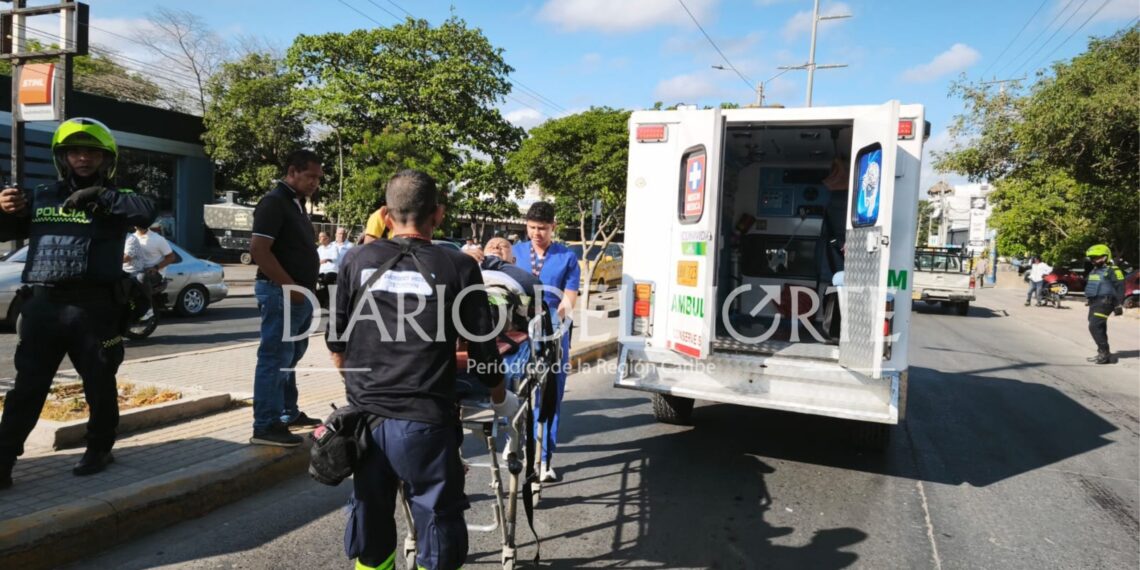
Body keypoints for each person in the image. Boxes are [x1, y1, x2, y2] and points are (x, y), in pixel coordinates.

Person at [327, 169, 518, 570]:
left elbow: (337, 345)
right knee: (437, 530)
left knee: (371, 529)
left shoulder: (356, 259)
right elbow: (483, 352)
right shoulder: (460, 268)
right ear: (439, 214)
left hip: (365, 425)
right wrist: (501, 399)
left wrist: (362, 391)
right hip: (426, 426)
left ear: (385, 213)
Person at [0, 118, 156, 489]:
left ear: (106, 158)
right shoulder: (41, 194)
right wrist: (5, 209)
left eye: (91, 152)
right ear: (63, 156)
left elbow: (146, 211)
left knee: (99, 384)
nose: (82, 158)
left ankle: (99, 447)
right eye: (74, 151)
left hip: (95, 310)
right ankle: (4, 460)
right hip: (44, 307)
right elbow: (6, 231)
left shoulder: (119, 198)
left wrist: (100, 196)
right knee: (27, 388)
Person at [249, 149, 324, 447]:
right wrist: (290, 287)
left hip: (297, 294)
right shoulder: (274, 202)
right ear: (292, 171)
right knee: (274, 358)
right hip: (281, 292)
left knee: (290, 357)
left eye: (318, 178)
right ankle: (265, 425)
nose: (315, 183)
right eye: (310, 176)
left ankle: (286, 412)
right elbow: (258, 250)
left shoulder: (295, 203)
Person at [511, 201, 579, 482]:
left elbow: (569, 296)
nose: (537, 233)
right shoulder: (514, 253)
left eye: (542, 228)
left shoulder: (567, 257)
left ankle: (545, 456)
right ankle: (515, 446)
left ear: (554, 227)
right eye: (532, 227)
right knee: (513, 386)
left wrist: (550, 323)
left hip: (553, 330)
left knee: (549, 392)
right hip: (516, 330)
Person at [1083, 244, 1125, 365]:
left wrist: (1119, 304)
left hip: (1106, 302)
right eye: (1092, 258)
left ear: (1106, 257)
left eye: (1097, 257)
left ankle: (1104, 353)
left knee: (1094, 326)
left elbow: (1120, 287)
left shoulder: (1113, 270)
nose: (1094, 260)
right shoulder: (1095, 270)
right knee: (1099, 326)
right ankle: (1102, 352)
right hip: (1094, 302)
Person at [123, 223, 176, 300]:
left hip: (154, 273)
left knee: (141, 277)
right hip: (136, 271)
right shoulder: (130, 238)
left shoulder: (158, 239)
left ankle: (148, 307)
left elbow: (171, 257)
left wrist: (156, 267)